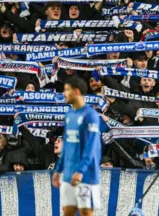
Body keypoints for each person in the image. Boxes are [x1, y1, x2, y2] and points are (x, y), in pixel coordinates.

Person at [52, 77, 102, 216]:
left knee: (86, 212)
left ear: (77, 91)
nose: (64, 93)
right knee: (67, 212)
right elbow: (67, 145)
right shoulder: (69, 115)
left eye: (67, 90)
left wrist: (80, 170)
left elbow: (91, 147)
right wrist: (58, 170)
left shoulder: (91, 115)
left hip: (86, 174)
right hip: (68, 174)